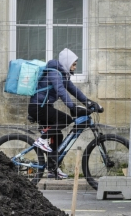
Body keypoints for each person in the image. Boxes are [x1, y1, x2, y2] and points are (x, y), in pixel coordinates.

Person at [28, 48, 100, 179]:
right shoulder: (55, 73)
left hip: (43, 106)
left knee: (58, 136)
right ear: (67, 62)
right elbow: (61, 92)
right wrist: (72, 107)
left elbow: (74, 90)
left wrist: (89, 103)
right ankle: (42, 140)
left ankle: (52, 168)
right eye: (73, 64)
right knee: (66, 120)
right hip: (38, 107)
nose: (75, 67)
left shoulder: (62, 75)